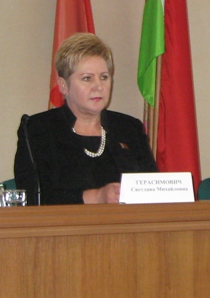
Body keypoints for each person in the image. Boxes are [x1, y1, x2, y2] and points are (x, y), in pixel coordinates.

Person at [14, 33, 157, 205]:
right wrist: (95, 197)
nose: (99, 86)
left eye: (104, 77)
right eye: (87, 78)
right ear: (63, 85)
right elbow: (32, 199)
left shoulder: (128, 128)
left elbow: (153, 190)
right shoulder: (38, 130)